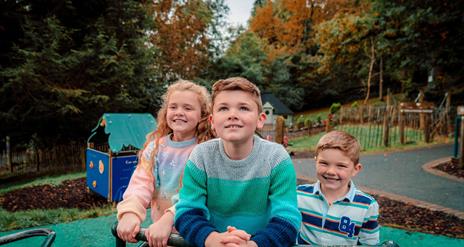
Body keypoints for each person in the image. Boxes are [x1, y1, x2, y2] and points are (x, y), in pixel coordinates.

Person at [174, 77, 301, 247]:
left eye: (243, 108)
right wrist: (212, 239)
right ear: (212, 122)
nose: (232, 115)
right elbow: (186, 211)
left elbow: (288, 218)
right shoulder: (201, 157)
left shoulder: (277, 159)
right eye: (223, 108)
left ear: (260, 119)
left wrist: (253, 245)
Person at [116, 80, 212, 247]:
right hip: (160, 234)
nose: (179, 112)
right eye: (173, 107)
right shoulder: (155, 148)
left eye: (188, 108)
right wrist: (130, 212)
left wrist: (170, 219)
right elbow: (141, 183)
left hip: (194, 234)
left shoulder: (206, 151)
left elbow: (198, 195)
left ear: (202, 115)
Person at [296, 130, 380, 245]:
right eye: (324, 163)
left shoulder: (367, 206)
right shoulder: (299, 195)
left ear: (356, 169)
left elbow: (369, 243)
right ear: (315, 162)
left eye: (341, 166)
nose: (331, 171)